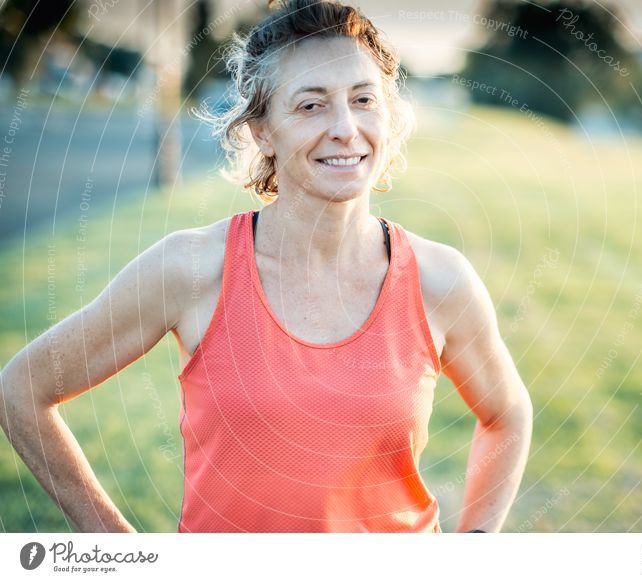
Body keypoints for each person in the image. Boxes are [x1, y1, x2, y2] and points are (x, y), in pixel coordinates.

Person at [0, 0, 532, 533]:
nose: (346, 128)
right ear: (262, 131)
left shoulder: (441, 279)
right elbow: (22, 389)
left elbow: (507, 414)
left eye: (363, 100)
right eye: (310, 106)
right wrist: (120, 551)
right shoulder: (191, 269)